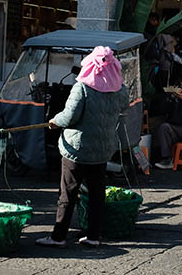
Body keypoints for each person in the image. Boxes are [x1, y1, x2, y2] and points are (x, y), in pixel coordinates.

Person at [37, 46, 129, 248]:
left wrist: (55, 120)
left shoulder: (82, 87)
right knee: (97, 193)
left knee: (68, 194)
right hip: (103, 149)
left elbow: (70, 117)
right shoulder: (120, 89)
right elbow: (123, 107)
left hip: (76, 150)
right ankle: (93, 236)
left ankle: (58, 237)